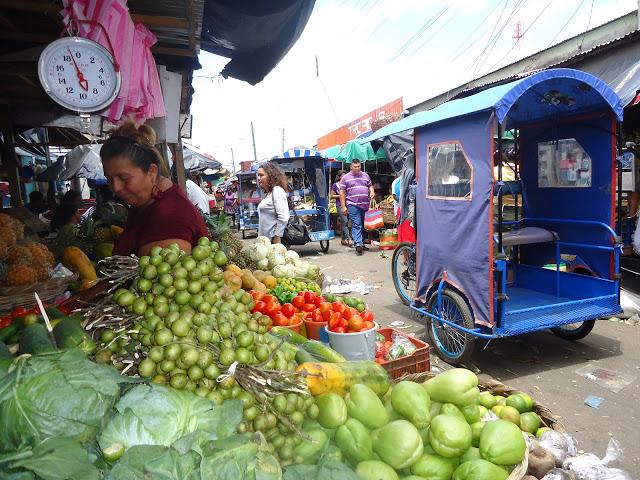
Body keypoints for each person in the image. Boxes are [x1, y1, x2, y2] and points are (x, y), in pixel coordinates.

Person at [100, 120, 208, 256]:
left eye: (124, 178)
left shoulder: (169, 216)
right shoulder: (143, 204)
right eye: (109, 179)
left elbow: (159, 273)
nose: (115, 187)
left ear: (151, 171)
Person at [339, 159, 375, 255]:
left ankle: (361, 243)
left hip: (365, 204)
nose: (357, 168)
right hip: (352, 204)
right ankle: (358, 243)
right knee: (357, 223)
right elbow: (342, 192)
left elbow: (370, 185)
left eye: (359, 166)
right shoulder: (345, 178)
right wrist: (343, 206)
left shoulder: (365, 175)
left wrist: (372, 191)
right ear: (351, 167)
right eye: (355, 167)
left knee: (363, 225)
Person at [257, 162, 289, 244]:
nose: (258, 178)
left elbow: (283, 217)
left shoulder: (277, 191)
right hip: (266, 241)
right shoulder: (268, 193)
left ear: (271, 176)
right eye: (258, 175)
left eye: (261, 175)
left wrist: (277, 236)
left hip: (273, 241)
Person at [330, 171, 352, 246]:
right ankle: (349, 239)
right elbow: (331, 196)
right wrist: (340, 196)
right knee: (345, 221)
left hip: (349, 205)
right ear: (339, 177)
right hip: (339, 205)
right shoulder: (335, 185)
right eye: (343, 176)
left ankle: (343, 239)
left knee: (346, 222)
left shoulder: (348, 184)